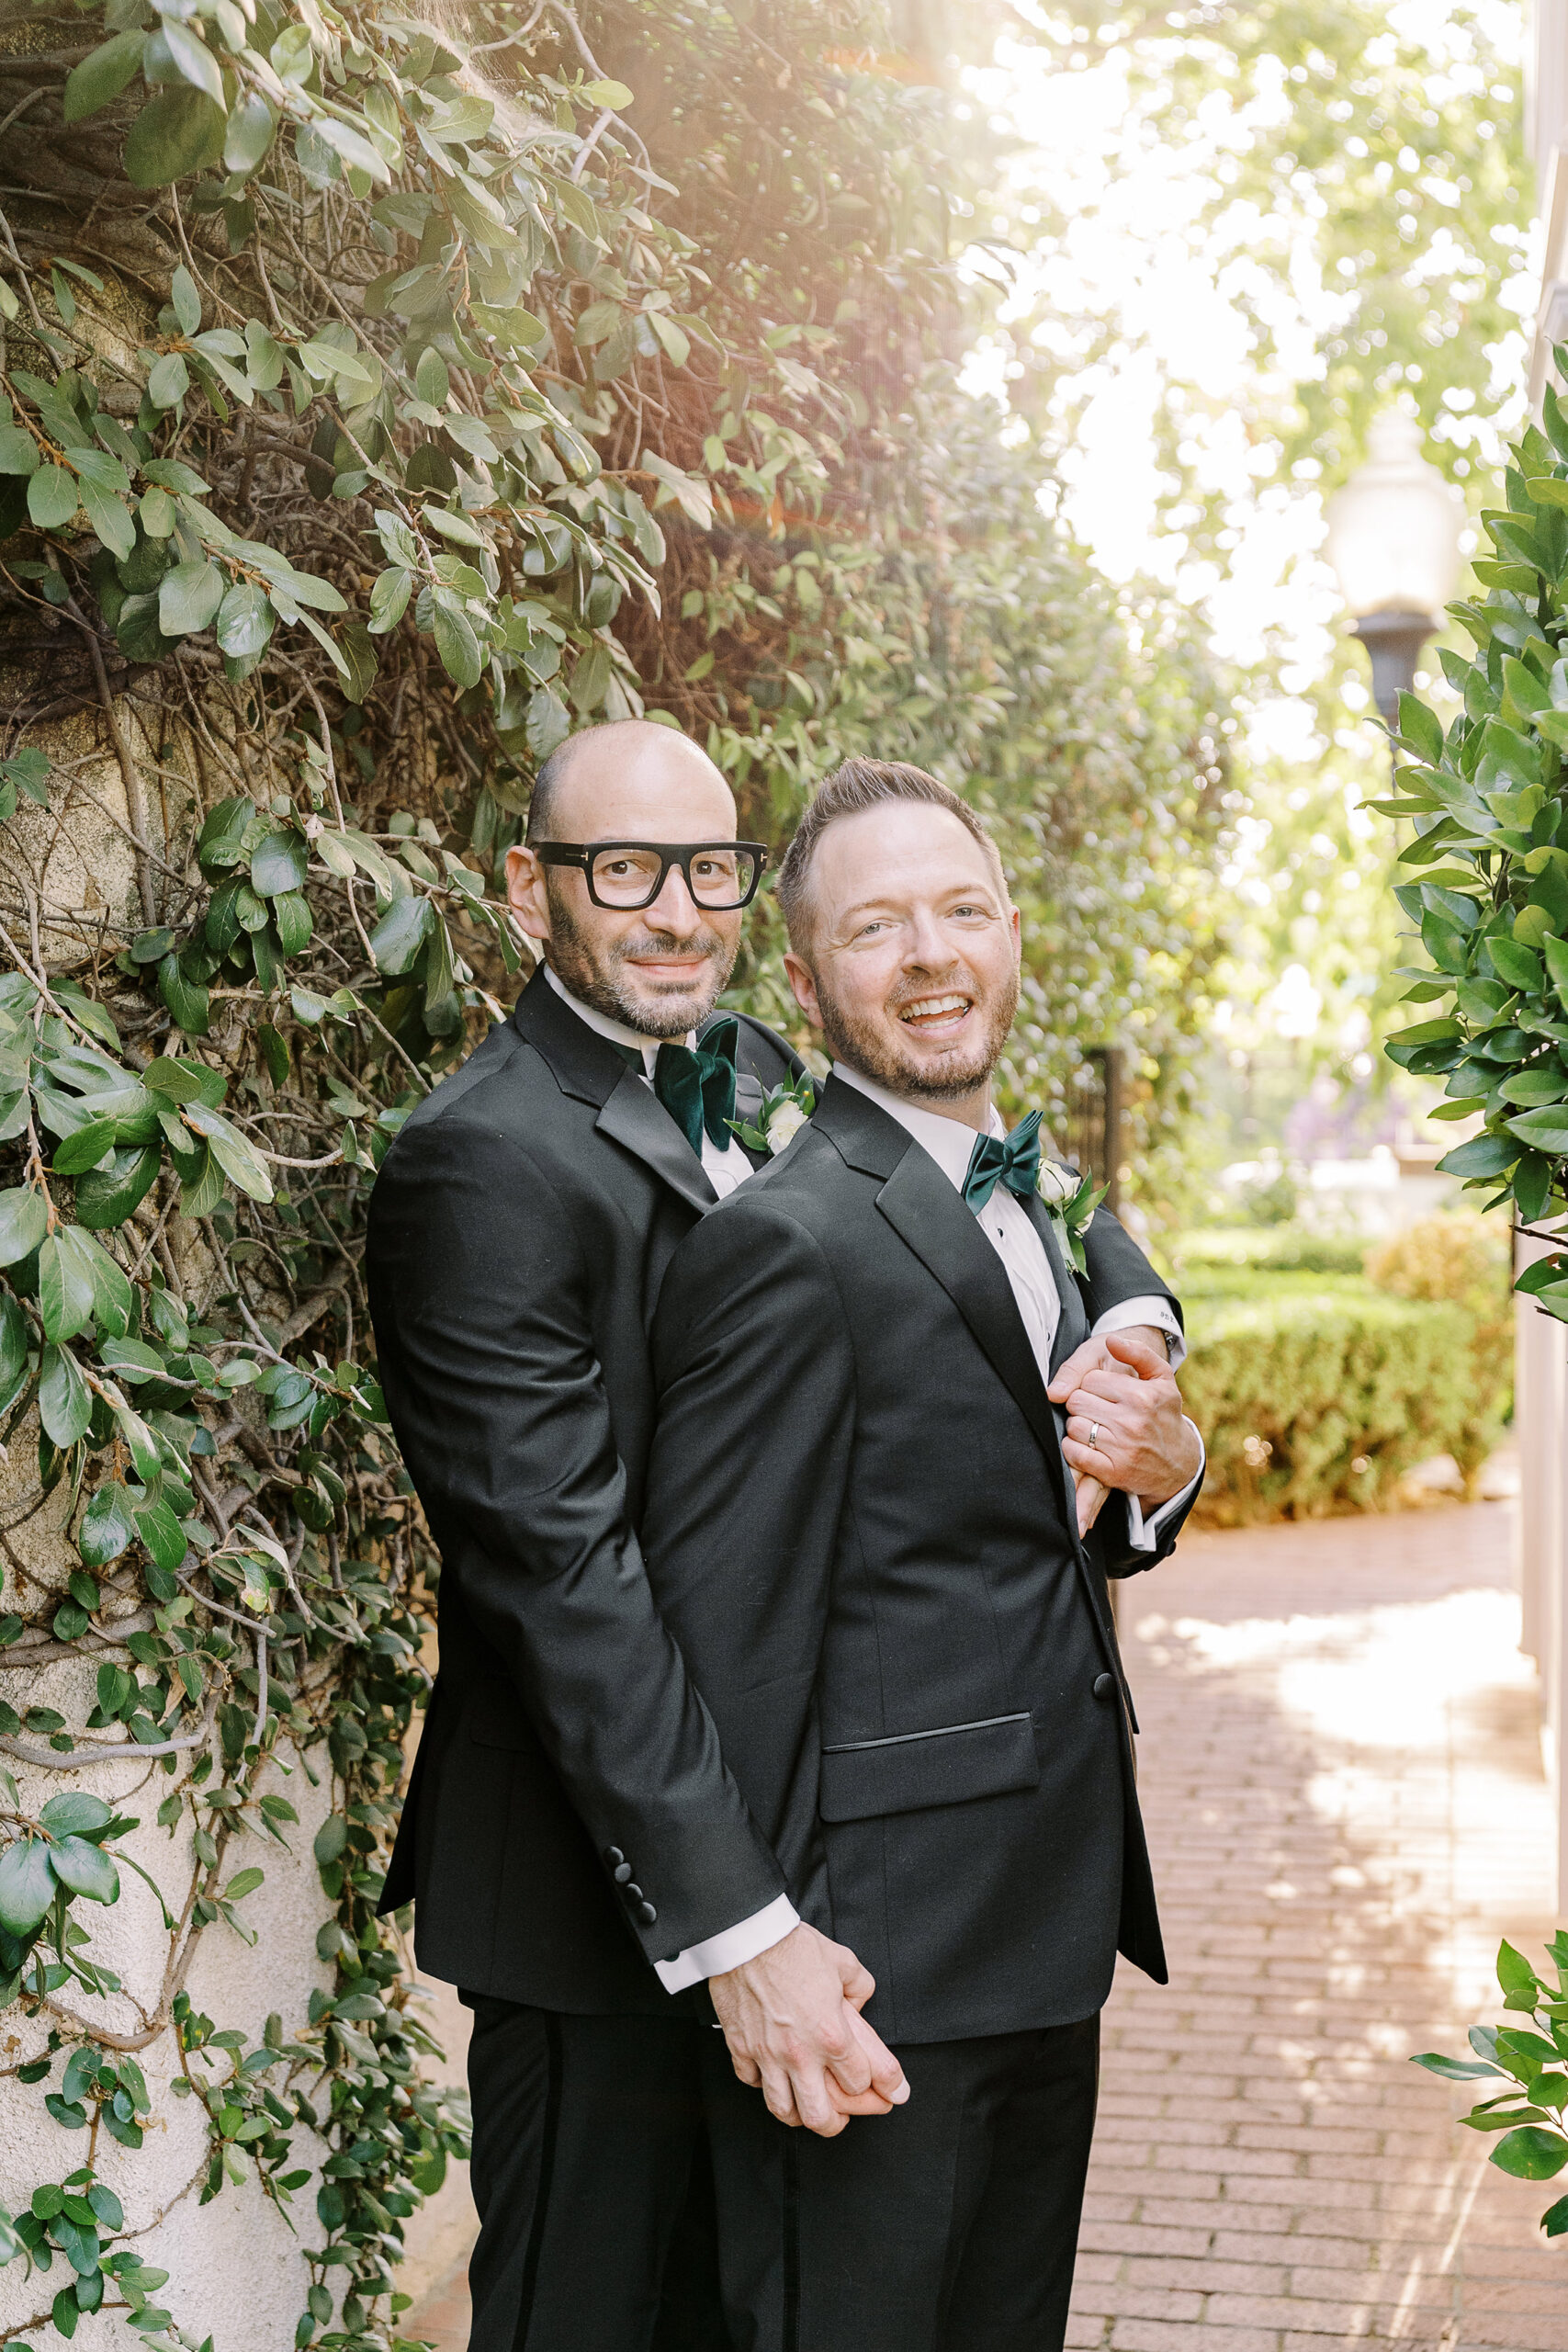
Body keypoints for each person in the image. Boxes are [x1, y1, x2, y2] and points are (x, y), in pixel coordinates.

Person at [367, 721, 1200, 2352]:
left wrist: (1141, 1338)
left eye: (710, 870)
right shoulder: (481, 1159)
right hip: (603, 1901)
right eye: (626, 871)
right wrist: (742, 1927)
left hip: (814, 1869)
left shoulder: (758, 1066)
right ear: (531, 891)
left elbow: (1027, 1196)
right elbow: (568, 1582)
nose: (678, 912)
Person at [641, 757, 1203, 2352]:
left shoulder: (1029, 1190)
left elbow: (1038, 1506)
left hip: (1048, 1935)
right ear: (807, 975)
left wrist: (1164, 1475)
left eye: (962, 911)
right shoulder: (784, 1241)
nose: (933, 954)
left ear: (1012, 932)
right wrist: (758, 1954)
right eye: (877, 926)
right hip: (872, 1974)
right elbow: (713, 1645)